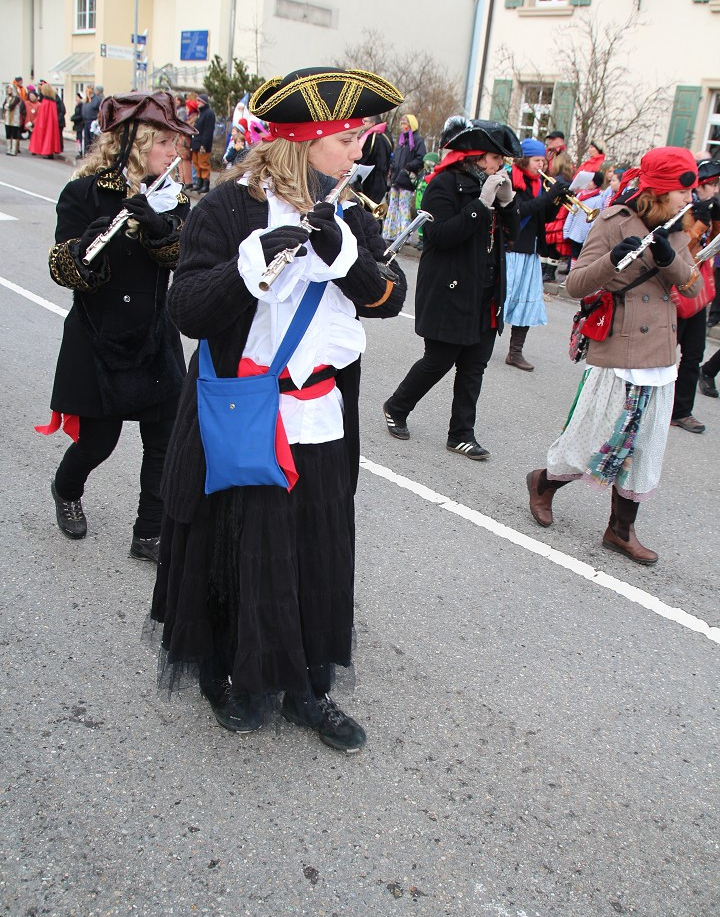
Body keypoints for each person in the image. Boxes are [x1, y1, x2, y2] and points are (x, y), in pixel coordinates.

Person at [148, 66, 406, 751]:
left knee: (318, 549)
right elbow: (186, 309)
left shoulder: (353, 212)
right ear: (309, 140)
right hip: (245, 411)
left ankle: (307, 687)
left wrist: (346, 257)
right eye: (350, 139)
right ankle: (244, 676)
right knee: (248, 548)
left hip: (320, 412)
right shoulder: (225, 210)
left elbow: (389, 297)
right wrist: (245, 269)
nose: (361, 153)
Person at [36, 91, 194, 560]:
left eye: (175, 144)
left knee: (164, 439)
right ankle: (66, 489)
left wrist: (159, 228)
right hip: (98, 332)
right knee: (97, 443)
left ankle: (149, 532)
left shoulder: (171, 197)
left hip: (153, 333)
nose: (174, 152)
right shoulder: (83, 193)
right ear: (138, 142)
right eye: (165, 142)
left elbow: (182, 257)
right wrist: (89, 247)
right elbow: (62, 268)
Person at [526, 146, 702, 565]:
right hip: (618, 349)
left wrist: (670, 262)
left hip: (660, 354)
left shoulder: (679, 228)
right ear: (660, 189)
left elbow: (694, 289)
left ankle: (620, 530)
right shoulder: (612, 221)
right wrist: (614, 257)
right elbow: (575, 286)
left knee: (644, 445)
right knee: (594, 436)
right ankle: (544, 482)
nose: (690, 200)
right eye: (684, 190)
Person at [382, 116, 520, 460]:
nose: (499, 165)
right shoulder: (444, 184)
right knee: (439, 359)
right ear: (474, 155)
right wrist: (479, 206)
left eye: (501, 160)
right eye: (494, 158)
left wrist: (507, 203)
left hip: (485, 290)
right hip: (451, 287)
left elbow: (513, 235)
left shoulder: (493, 186)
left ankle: (461, 433)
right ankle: (396, 407)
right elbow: (437, 236)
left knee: (474, 365)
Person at [504, 138, 569, 370]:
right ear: (524, 159)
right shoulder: (511, 180)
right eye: (537, 160)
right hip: (510, 250)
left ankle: (515, 352)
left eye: (543, 160)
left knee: (526, 303)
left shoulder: (539, 184)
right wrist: (548, 198)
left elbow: (544, 217)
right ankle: (479, 345)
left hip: (530, 251)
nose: (541, 165)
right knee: (500, 300)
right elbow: (518, 211)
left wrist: (557, 202)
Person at [670, 158, 720, 433]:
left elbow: (712, 243)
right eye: (711, 184)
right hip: (675, 285)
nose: (714, 189)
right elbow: (684, 244)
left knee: (694, 353)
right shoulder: (682, 208)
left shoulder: (709, 208)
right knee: (665, 351)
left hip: (697, 286)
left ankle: (682, 410)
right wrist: (699, 215)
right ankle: (653, 405)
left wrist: (714, 217)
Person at [382, 113, 426, 242]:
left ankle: (404, 235)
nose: (402, 126)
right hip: (396, 179)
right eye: (401, 124)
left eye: (405, 124)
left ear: (411, 125)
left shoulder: (417, 140)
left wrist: (407, 167)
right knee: (392, 205)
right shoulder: (402, 141)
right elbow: (396, 158)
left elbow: (421, 158)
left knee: (403, 206)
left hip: (406, 179)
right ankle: (390, 233)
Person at [356, 114, 393, 204]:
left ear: (372, 123)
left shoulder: (372, 137)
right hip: (381, 181)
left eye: (365, 121)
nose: (362, 123)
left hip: (370, 182)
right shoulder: (386, 136)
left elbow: (363, 159)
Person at [28, 83, 63, 158]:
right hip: (51, 123)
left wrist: (38, 123)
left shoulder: (46, 102)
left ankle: (48, 152)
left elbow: (42, 115)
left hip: (46, 123)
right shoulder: (52, 101)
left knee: (47, 137)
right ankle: (50, 152)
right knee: (50, 137)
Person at [190, 92, 215, 193]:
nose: (197, 103)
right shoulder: (201, 113)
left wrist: (204, 144)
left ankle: (205, 184)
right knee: (196, 164)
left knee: (203, 164)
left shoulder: (209, 114)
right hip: (196, 143)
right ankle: (199, 183)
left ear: (204, 102)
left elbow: (208, 131)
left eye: (199, 101)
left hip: (203, 145)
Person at [82, 84, 103, 153]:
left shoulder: (97, 99)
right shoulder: (87, 100)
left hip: (93, 122)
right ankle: (86, 153)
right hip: (86, 122)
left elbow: (100, 110)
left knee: (93, 140)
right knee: (87, 140)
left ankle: (93, 154)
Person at [3, 84, 22, 156]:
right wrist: (7, 106)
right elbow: (4, 105)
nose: (8, 90)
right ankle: (8, 149)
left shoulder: (17, 98)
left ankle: (14, 150)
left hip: (15, 119)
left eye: (9, 89)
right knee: (8, 134)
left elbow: (11, 106)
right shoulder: (7, 97)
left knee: (14, 134)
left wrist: (7, 106)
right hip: (8, 119)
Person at [70, 93, 85, 159]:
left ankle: (81, 152)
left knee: (80, 138)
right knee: (78, 139)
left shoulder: (81, 106)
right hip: (77, 124)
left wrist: (74, 118)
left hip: (80, 125)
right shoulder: (78, 105)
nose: (76, 99)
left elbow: (81, 115)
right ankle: (79, 151)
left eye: (77, 97)